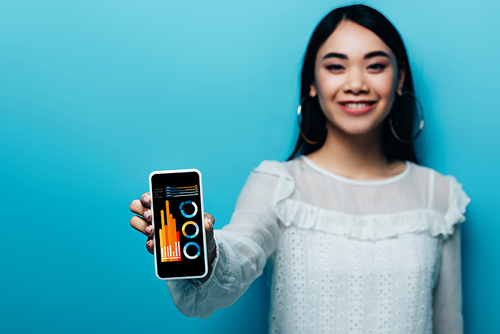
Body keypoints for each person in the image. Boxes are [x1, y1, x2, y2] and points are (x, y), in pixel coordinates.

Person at [130, 4, 470, 333]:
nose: (356, 84)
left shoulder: (440, 194)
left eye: (375, 66)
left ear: (399, 80)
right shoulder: (277, 183)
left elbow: (448, 324)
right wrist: (205, 247)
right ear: (312, 83)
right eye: (336, 67)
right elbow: (235, 264)